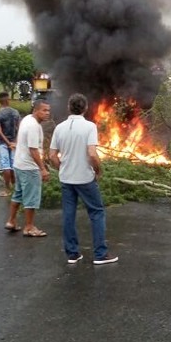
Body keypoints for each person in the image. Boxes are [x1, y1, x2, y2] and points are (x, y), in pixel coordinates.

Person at [49, 93, 118, 265]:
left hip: (66, 179)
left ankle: (72, 254)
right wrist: (98, 170)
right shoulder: (89, 127)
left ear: (68, 107)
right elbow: (92, 154)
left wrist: (62, 168)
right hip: (85, 179)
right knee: (97, 213)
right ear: (86, 108)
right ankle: (100, 255)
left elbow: (51, 155)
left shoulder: (59, 128)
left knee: (68, 215)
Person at [5, 99, 51, 236]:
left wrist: (17, 146)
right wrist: (42, 169)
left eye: (48, 110)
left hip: (19, 164)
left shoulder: (27, 119)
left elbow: (21, 140)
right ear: (35, 110)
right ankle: (29, 227)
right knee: (31, 198)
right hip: (28, 167)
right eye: (44, 110)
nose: (47, 113)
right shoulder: (33, 126)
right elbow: (33, 149)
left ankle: (11, 221)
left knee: (18, 194)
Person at [0, 91, 21, 197]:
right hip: (14, 142)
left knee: (6, 166)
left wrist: (7, 143)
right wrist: (15, 142)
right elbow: (20, 128)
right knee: (14, 165)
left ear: (0, 102)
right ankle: (15, 187)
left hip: (3, 143)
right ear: (8, 100)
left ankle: (7, 189)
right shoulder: (15, 112)